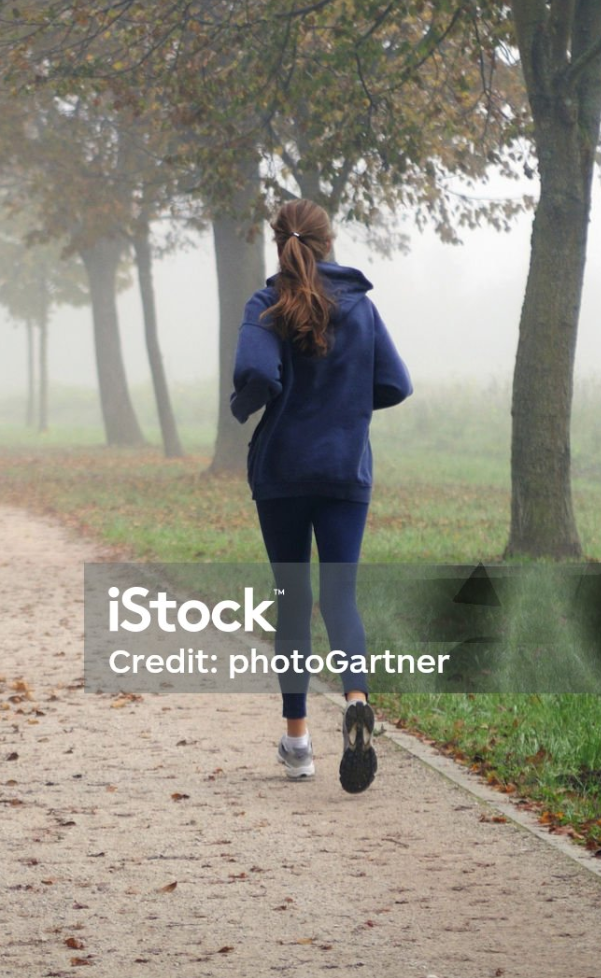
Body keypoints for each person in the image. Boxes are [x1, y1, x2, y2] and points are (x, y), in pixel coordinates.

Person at [229, 199, 411, 794]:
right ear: (329, 242)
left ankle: (299, 743)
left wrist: (244, 407)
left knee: (291, 599)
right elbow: (395, 383)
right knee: (341, 598)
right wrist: (347, 409)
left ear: (278, 242)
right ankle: (357, 697)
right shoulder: (361, 308)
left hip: (282, 474)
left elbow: (257, 373)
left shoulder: (267, 304)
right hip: (343, 474)